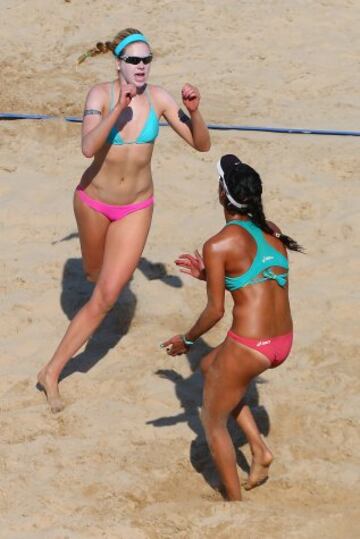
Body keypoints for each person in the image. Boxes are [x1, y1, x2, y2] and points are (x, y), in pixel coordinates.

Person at [37, 28, 210, 413]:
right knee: (95, 274)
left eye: (147, 60)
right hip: (93, 204)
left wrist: (195, 113)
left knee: (105, 296)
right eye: (134, 60)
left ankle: (50, 372)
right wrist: (120, 107)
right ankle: (98, 284)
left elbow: (202, 145)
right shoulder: (100, 95)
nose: (142, 66)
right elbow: (87, 147)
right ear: (119, 63)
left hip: (137, 206)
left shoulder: (161, 99)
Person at [161, 154, 303, 501]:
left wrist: (187, 339)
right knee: (211, 368)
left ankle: (234, 506)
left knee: (212, 424)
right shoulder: (273, 232)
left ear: (222, 193)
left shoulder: (219, 244)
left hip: (251, 345)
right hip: (282, 341)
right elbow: (255, 281)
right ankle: (260, 450)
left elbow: (215, 311)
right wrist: (210, 275)